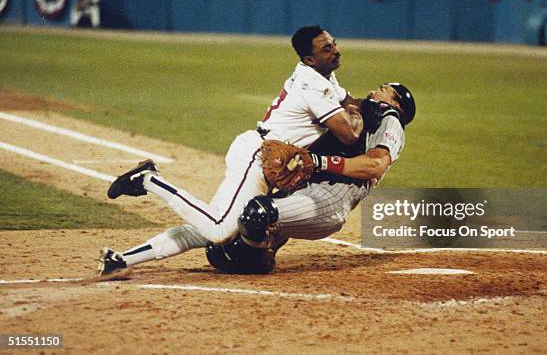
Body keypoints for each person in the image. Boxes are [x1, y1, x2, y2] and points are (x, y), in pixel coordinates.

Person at [98, 26, 363, 277]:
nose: (336, 50)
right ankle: (148, 179)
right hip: (256, 158)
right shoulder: (311, 85)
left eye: (334, 43)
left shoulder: (322, 75)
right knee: (219, 230)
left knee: (209, 226)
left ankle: (120, 261)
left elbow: (348, 99)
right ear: (310, 58)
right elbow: (349, 134)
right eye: (327, 48)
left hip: (266, 160)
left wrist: (369, 102)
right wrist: (357, 113)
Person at [98, 83, 415, 276]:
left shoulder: (390, 121)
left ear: (397, 103)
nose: (376, 89)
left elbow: (374, 167)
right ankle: (123, 259)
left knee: (253, 217)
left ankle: (254, 253)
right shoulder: (355, 116)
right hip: (304, 196)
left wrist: (317, 161)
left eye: (385, 89)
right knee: (221, 228)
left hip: (329, 203)